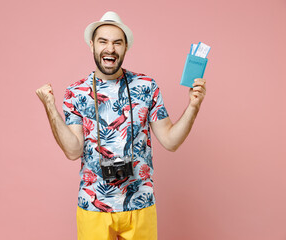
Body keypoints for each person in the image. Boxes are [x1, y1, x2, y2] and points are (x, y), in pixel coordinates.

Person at [36, 11, 206, 240]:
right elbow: (72, 151)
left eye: (117, 42)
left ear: (125, 48)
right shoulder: (75, 92)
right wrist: (50, 107)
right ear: (91, 46)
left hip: (140, 204)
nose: (110, 48)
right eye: (103, 41)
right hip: (93, 207)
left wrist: (193, 107)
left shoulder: (147, 86)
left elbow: (170, 141)